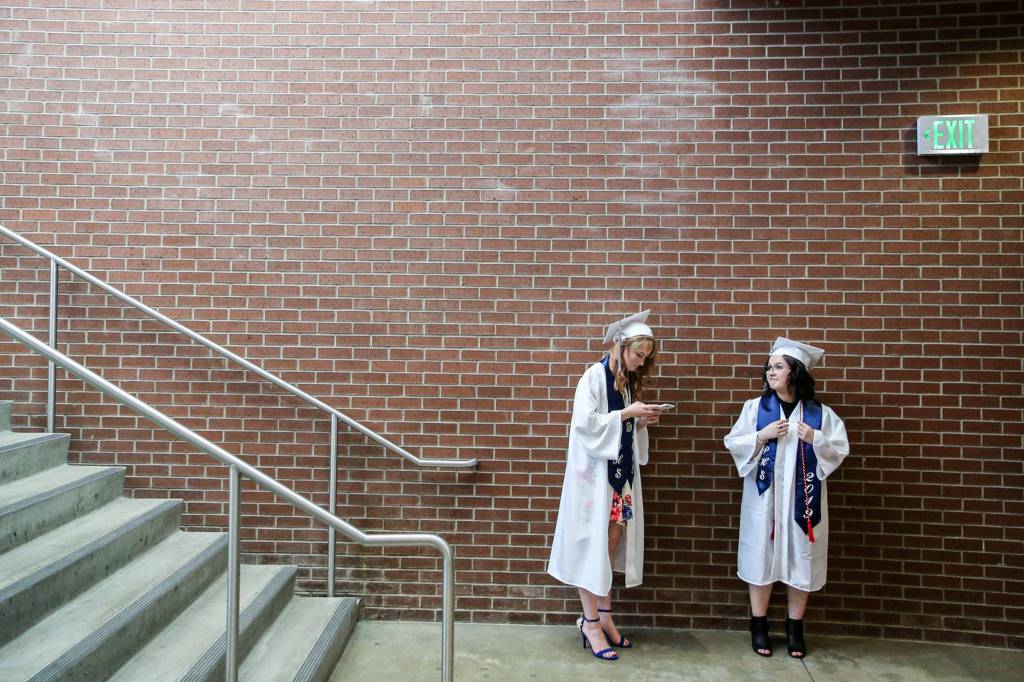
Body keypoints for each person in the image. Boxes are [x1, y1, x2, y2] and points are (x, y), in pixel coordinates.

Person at [547, 310, 663, 662]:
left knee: (609, 548)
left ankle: (606, 617)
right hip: (594, 481)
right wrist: (627, 415)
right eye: (636, 354)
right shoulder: (594, 377)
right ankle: (591, 622)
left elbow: (622, 430)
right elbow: (585, 426)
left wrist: (640, 420)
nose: (640, 362)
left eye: (644, 358)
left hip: (620, 481)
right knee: (592, 547)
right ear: (620, 344)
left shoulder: (625, 382)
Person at [724, 337, 850, 659]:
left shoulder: (821, 415)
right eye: (769, 367)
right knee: (760, 557)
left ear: (796, 372)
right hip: (764, 502)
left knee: (802, 560)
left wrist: (816, 438)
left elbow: (839, 450)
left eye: (778, 367)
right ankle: (759, 625)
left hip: (802, 504)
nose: (770, 372)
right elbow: (732, 441)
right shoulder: (755, 408)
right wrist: (761, 435)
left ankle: (795, 628)